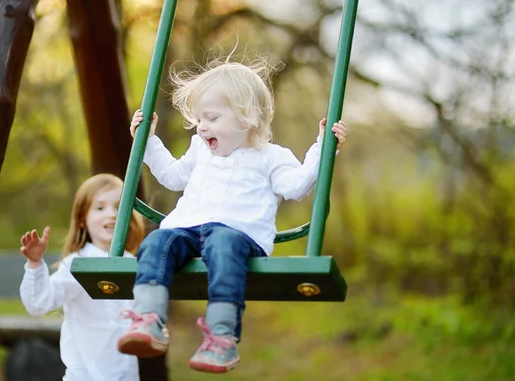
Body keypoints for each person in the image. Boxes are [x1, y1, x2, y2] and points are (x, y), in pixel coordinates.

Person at [117, 56, 347, 374]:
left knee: (222, 244)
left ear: (246, 117)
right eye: (199, 118)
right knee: (158, 242)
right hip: (188, 229)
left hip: (238, 235)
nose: (201, 126)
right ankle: (148, 320)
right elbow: (172, 175)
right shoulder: (200, 148)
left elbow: (295, 186)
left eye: (211, 117)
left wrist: (324, 147)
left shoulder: (270, 157)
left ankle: (221, 339)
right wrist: (149, 142)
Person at [20, 173, 145, 381]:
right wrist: (34, 263)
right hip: (85, 375)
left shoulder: (133, 262)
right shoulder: (78, 264)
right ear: (82, 219)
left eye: (118, 206)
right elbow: (39, 303)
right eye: (100, 207)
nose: (111, 214)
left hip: (126, 375)